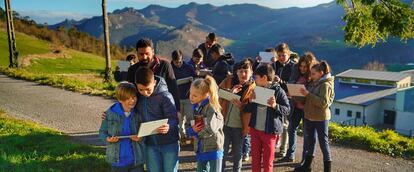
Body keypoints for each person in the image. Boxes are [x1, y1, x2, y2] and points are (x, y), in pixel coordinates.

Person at [243, 65, 290, 172]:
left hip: (269, 132)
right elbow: (248, 109)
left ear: (264, 78)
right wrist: (250, 101)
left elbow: (287, 109)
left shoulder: (279, 91)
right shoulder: (255, 89)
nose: (254, 80)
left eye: (256, 77)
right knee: (255, 160)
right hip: (255, 130)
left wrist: (275, 106)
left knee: (267, 162)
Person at [134, 67, 180, 172]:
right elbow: (125, 105)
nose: (145, 93)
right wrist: (111, 113)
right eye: (141, 89)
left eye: (148, 89)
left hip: (169, 143)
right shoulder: (138, 97)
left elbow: (173, 118)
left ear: (154, 82)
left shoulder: (165, 96)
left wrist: (169, 126)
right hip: (150, 144)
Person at [278, 52, 318, 163]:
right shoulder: (296, 73)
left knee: (307, 134)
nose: (302, 68)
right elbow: (290, 85)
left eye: (305, 67)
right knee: (291, 129)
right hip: (295, 107)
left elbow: (311, 95)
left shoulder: (313, 77)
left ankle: (305, 160)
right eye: (301, 66)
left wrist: (296, 95)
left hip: (307, 109)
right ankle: (290, 154)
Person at [295, 61, 334, 172]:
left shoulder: (326, 85)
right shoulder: (313, 83)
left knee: (323, 143)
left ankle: (327, 169)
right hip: (309, 116)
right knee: (310, 141)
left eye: (313, 73)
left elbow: (323, 103)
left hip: (321, 118)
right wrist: (295, 95)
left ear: (321, 73)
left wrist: (308, 94)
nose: (311, 76)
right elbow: (306, 100)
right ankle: (307, 166)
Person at [99, 82, 146, 172]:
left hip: (136, 161)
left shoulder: (138, 114)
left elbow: (144, 135)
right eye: (128, 98)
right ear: (120, 99)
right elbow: (102, 132)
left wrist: (140, 138)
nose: (132, 101)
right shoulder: (109, 114)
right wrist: (108, 139)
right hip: (117, 162)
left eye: (134, 97)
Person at [219, 59, 255, 172]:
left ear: (251, 72)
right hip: (224, 123)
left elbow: (253, 108)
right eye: (241, 71)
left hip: (240, 126)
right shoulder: (229, 80)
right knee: (222, 153)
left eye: (246, 71)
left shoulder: (253, 88)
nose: (243, 74)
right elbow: (216, 92)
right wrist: (230, 92)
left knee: (237, 154)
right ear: (236, 72)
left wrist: (242, 106)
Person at [127, 38, 181, 112]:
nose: (144, 57)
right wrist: (112, 111)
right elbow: (128, 93)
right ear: (137, 53)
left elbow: (173, 89)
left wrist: (177, 110)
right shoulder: (132, 70)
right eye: (141, 54)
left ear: (153, 51)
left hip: (162, 111)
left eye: (147, 53)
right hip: (141, 113)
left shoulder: (164, 66)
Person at [185, 75, 225, 172]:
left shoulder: (212, 108)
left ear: (205, 95)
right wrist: (191, 130)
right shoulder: (193, 108)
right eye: (190, 94)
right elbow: (188, 125)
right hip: (201, 149)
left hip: (213, 149)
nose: (191, 97)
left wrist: (196, 134)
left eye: (195, 95)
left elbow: (211, 129)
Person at [271, 43, 297, 157]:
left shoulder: (293, 66)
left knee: (285, 124)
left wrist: (280, 81)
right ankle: (272, 146)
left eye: (284, 55)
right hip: (274, 97)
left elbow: (292, 85)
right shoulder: (274, 65)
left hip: (287, 98)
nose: (281, 57)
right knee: (273, 122)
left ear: (289, 54)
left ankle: (283, 148)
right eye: (279, 55)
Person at [171, 50, 197, 144]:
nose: (178, 64)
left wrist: (192, 80)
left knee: (190, 118)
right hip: (176, 98)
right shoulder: (170, 68)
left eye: (179, 61)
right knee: (179, 119)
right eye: (176, 62)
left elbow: (196, 78)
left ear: (182, 58)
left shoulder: (188, 67)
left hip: (188, 97)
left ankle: (192, 136)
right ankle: (182, 138)